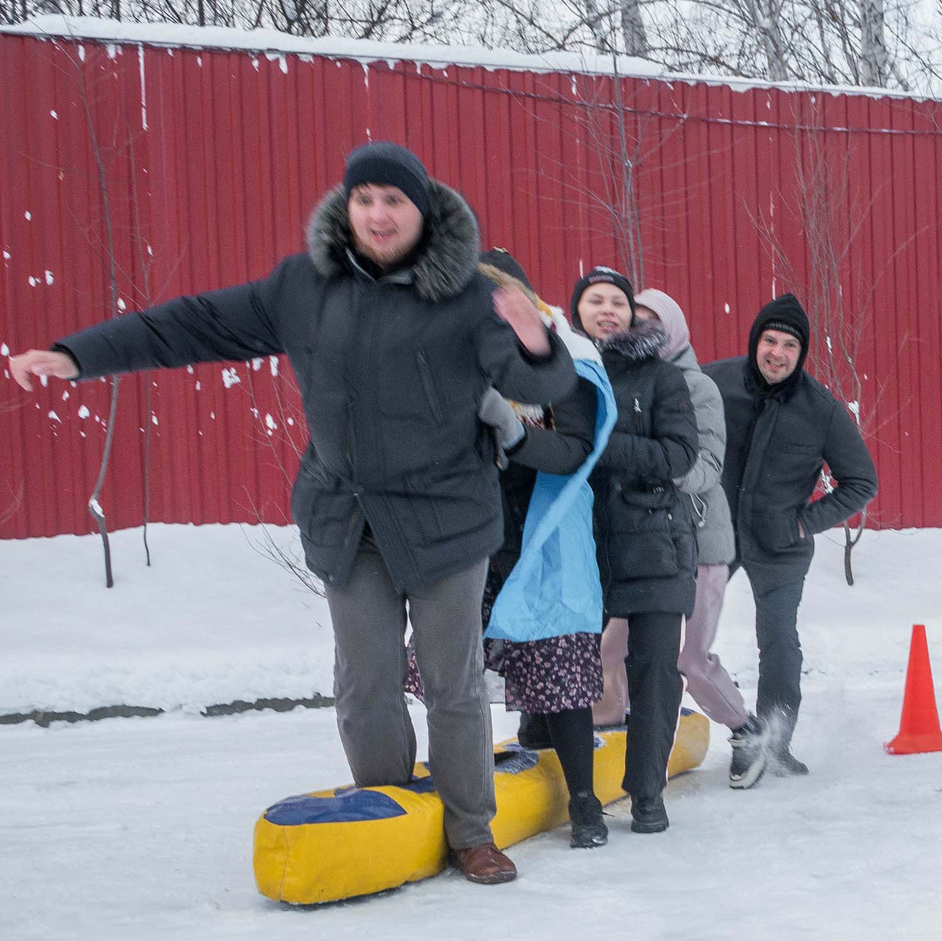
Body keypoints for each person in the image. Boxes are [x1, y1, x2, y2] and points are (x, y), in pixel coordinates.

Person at [5, 142, 574, 885]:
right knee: (365, 679)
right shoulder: (304, 287)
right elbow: (192, 325)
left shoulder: (467, 296)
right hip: (349, 515)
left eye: (394, 200)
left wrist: (536, 339)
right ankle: (386, 809)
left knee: (452, 680)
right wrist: (79, 355)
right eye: (366, 198)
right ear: (348, 206)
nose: (378, 213)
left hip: (446, 518)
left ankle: (472, 829)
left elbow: (542, 379)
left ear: (422, 211)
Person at [463, 252, 614, 848]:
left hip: (546, 531)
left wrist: (515, 433)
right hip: (475, 530)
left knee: (558, 662)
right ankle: (461, 794)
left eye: (500, 296)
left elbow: (576, 449)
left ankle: (584, 802)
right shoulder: (459, 354)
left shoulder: (563, 355)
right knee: (457, 666)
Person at [593, 289, 763, 778]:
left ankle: (744, 729)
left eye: (654, 322)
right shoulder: (617, 382)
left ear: (675, 330)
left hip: (702, 543)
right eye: (636, 320)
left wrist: (657, 466)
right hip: (650, 541)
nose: (643, 330)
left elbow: (707, 465)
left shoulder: (697, 387)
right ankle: (612, 726)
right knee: (611, 649)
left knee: (689, 658)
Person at [709, 293, 878, 779]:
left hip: (780, 540)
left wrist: (804, 522)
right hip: (716, 533)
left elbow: (862, 481)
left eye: (789, 344)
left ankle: (775, 740)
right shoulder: (715, 380)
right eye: (769, 340)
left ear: (801, 353)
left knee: (778, 638)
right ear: (755, 341)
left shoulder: (820, 409)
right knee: (674, 627)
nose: (777, 352)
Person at [569, 267, 698, 831]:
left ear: (631, 314)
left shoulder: (662, 377)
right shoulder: (561, 372)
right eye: (594, 300)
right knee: (567, 663)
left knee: (654, 671)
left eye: (617, 301)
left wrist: (601, 445)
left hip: (654, 541)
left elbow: (679, 456)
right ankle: (569, 785)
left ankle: (648, 792)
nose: (606, 309)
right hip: (580, 540)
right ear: (577, 313)